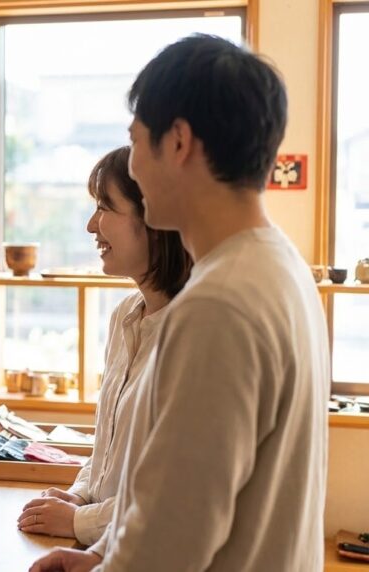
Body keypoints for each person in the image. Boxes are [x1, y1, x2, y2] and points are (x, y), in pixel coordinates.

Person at [30, 34, 329, 572]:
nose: (134, 167)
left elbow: (171, 540)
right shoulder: (280, 266)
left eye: (136, 142)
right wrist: (97, 557)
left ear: (178, 142)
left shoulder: (218, 304)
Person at [17, 146, 191, 549]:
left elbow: (183, 493)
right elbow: (110, 451)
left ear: (156, 220)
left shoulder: (196, 333)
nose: (91, 226)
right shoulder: (125, 315)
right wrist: (79, 495)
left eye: (104, 208)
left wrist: (80, 521)